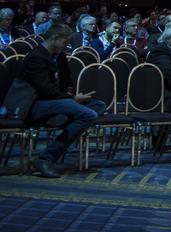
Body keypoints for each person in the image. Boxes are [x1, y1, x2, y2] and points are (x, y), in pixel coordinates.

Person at [20, 24, 106, 178]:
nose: (66, 47)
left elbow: (66, 81)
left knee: (99, 105)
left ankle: (67, 117)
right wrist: (72, 99)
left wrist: (71, 94)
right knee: (89, 115)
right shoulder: (36, 57)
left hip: (56, 102)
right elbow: (46, 91)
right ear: (55, 38)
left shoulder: (58, 55)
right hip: (36, 105)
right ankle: (46, 158)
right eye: (64, 43)